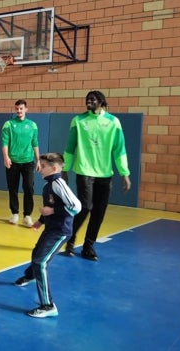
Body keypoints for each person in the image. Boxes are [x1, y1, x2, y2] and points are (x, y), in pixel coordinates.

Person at [62, 90, 131, 261]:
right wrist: (65, 169)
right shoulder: (78, 121)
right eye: (87, 99)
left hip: (104, 174)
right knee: (84, 207)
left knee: (99, 211)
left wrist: (124, 173)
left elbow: (119, 150)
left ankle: (88, 246)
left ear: (101, 102)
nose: (88, 101)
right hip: (84, 171)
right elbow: (70, 147)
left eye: (92, 99)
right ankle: (69, 240)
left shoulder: (114, 122)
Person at [14, 152, 82, 318]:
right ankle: (30, 276)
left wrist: (52, 211)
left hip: (60, 231)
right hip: (51, 228)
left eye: (43, 166)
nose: (39, 169)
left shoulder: (59, 184)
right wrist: (41, 220)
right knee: (36, 253)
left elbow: (76, 206)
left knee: (40, 262)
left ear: (54, 168)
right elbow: (50, 205)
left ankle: (48, 305)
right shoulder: (48, 185)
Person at [1, 99, 41, 227]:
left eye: (21, 108)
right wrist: (6, 157)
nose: (19, 111)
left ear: (26, 109)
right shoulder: (8, 124)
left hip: (28, 162)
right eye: (17, 108)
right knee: (12, 188)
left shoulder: (33, 125)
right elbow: (4, 142)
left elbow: (35, 143)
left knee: (29, 188)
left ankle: (27, 216)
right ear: (15, 109)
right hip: (13, 162)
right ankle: (15, 214)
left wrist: (38, 160)